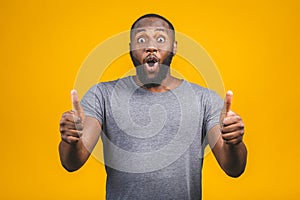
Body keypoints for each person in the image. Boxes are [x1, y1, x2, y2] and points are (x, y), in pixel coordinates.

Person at [59, 13, 247, 199]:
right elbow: (72, 162)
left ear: (174, 48)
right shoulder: (102, 95)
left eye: (160, 38)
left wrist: (234, 143)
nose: (150, 46)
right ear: (131, 48)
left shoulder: (204, 99)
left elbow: (234, 168)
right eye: (141, 39)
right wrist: (72, 140)